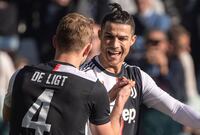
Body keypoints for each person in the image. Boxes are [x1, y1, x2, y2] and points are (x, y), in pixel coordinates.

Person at [80, 3, 200, 135]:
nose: (114, 44)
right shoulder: (83, 75)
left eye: (122, 38)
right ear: (99, 35)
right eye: (109, 36)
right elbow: (75, 120)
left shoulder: (136, 76)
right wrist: (109, 99)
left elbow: (175, 108)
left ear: (132, 41)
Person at [2, 12, 134, 135]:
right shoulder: (92, 87)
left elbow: (7, 115)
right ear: (87, 49)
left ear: (54, 41)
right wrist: (120, 103)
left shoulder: (21, 75)